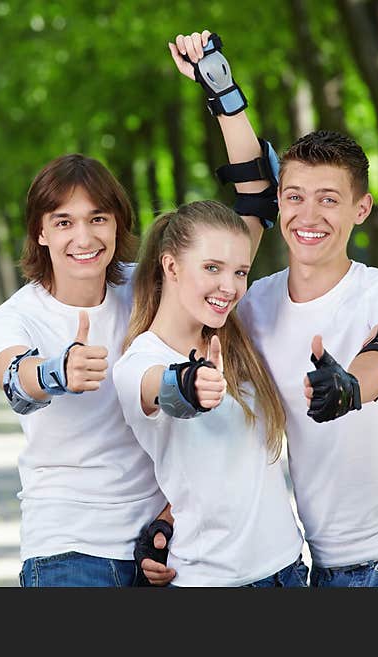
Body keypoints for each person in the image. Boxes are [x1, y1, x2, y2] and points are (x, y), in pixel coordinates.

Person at [141, 30, 378, 588]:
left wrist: (350, 387)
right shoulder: (254, 304)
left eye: (329, 199)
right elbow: (248, 193)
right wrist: (222, 91)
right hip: (324, 567)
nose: (308, 214)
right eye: (294, 196)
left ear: (361, 209)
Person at [0, 153, 169, 586]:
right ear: (40, 232)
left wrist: (225, 102)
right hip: (69, 547)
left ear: (118, 224)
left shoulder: (148, 290)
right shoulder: (12, 319)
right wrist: (56, 371)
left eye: (97, 218)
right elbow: (15, 379)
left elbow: (230, 250)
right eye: (64, 222)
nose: (84, 237)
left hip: (160, 543)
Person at [113, 199, 307, 587]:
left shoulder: (238, 342)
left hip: (286, 570)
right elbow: (161, 386)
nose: (230, 287)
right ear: (171, 266)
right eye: (212, 268)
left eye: (240, 272)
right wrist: (188, 384)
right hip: (210, 580)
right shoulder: (136, 363)